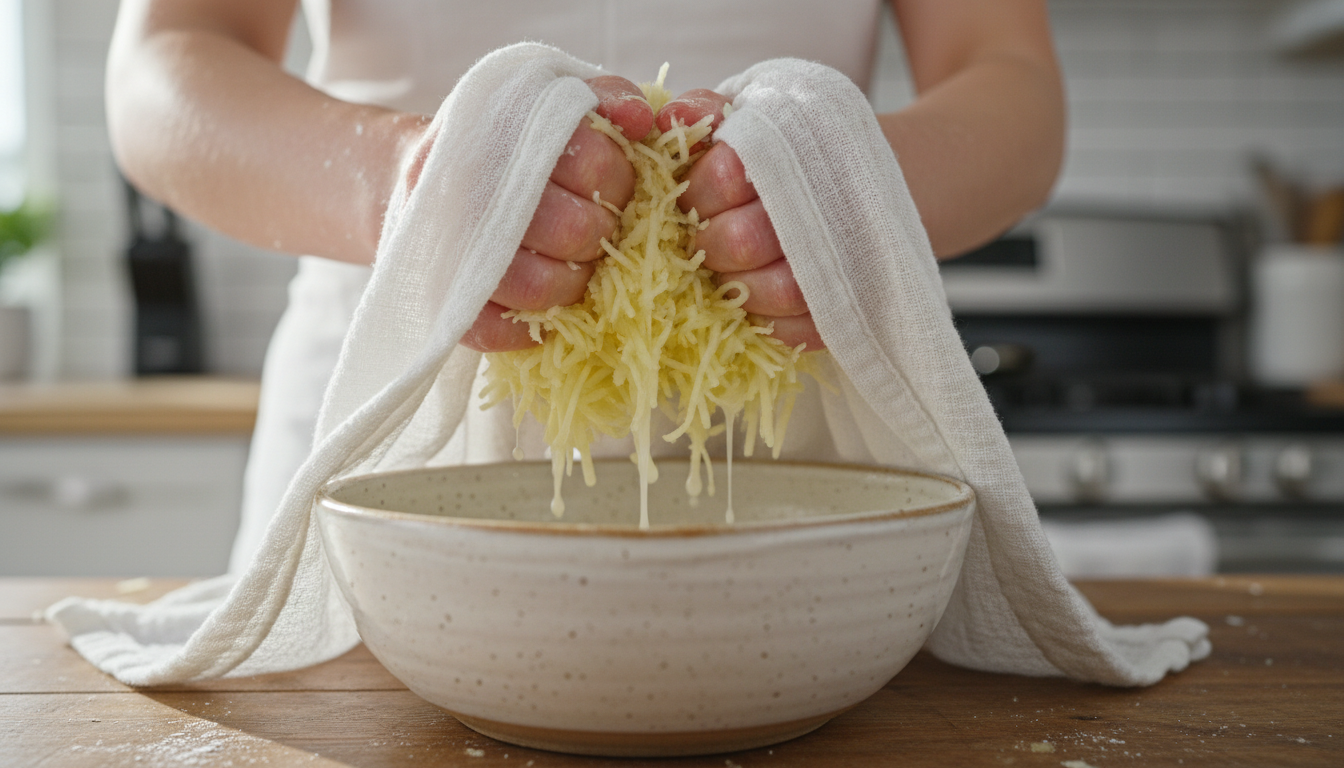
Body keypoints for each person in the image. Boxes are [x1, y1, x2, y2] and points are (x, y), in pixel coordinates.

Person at [105, 0, 1064, 569]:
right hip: (387, 440)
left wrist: (852, 193)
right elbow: (165, 60)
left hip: (810, 461)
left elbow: (1010, 74)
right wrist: (395, 187)